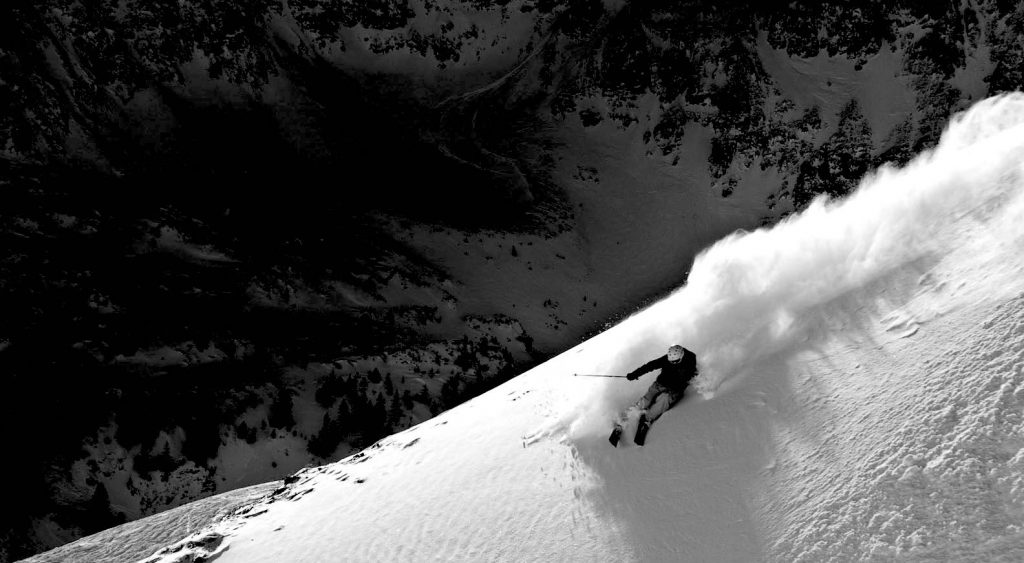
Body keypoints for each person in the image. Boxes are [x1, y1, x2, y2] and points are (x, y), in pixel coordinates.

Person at [611, 344, 698, 445]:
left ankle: (647, 419)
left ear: (682, 356)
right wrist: (634, 374)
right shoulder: (666, 359)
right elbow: (650, 365)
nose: (673, 363)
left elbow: (690, 376)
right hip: (660, 383)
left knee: (664, 401)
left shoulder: (690, 359)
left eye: (675, 361)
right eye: (671, 361)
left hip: (674, 389)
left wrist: (679, 387)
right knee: (645, 401)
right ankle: (623, 420)